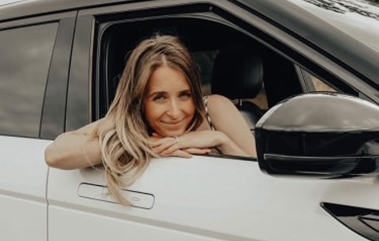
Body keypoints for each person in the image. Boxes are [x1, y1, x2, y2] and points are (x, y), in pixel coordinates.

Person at [45, 34, 257, 205]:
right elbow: (55, 154)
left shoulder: (214, 109)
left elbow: (261, 182)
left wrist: (220, 140)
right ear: (139, 101)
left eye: (184, 95)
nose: (175, 112)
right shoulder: (132, 124)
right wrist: (142, 145)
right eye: (159, 97)